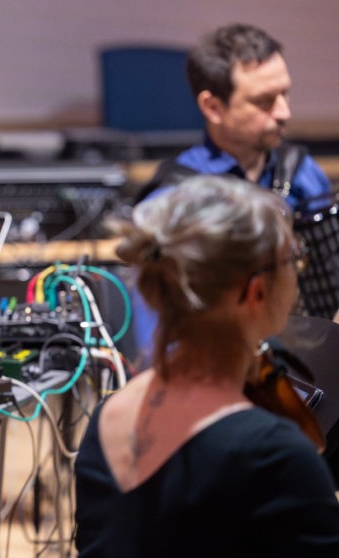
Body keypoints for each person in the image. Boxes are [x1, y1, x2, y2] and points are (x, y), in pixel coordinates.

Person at [75, 174, 339, 557]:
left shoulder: (107, 419)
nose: (297, 272)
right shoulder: (275, 455)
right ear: (256, 291)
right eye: (292, 260)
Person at [130, 22, 333, 368]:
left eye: (285, 94)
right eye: (264, 101)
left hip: (314, 369)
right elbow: (157, 341)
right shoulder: (173, 199)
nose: (284, 112)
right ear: (213, 107)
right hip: (215, 375)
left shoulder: (302, 172)